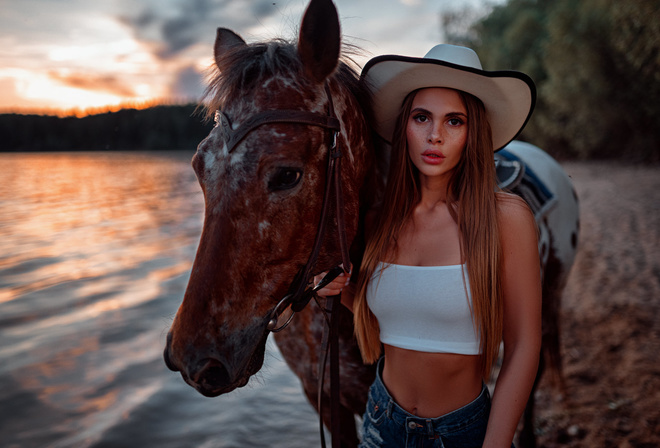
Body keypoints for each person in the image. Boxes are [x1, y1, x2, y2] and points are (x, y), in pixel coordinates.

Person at [315, 44, 541, 448]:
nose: (435, 135)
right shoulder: (380, 220)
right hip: (381, 421)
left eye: (454, 121)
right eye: (422, 118)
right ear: (405, 126)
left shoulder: (505, 219)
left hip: (461, 432)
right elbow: (393, 318)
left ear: (474, 132)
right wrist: (339, 288)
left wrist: (497, 443)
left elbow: (524, 344)